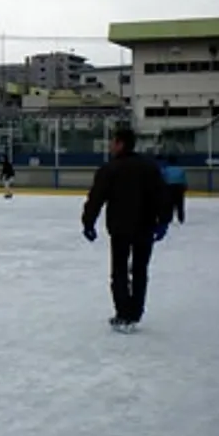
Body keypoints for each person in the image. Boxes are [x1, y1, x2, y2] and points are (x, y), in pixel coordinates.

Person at [83, 127, 171, 331]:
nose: (110, 146)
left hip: (120, 228)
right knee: (140, 270)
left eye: (112, 142)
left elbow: (96, 198)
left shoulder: (109, 169)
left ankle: (124, 314)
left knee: (120, 271)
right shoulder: (149, 167)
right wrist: (163, 221)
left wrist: (88, 222)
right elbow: (162, 195)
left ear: (121, 144)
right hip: (145, 226)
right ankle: (135, 313)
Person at [159, 155, 187, 224]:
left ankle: (169, 218)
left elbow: (163, 179)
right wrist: (184, 187)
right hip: (179, 188)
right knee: (180, 204)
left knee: (169, 204)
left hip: (169, 188)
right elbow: (184, 180)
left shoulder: (165, 170)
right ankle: (181, 218)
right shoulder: (181, 169)